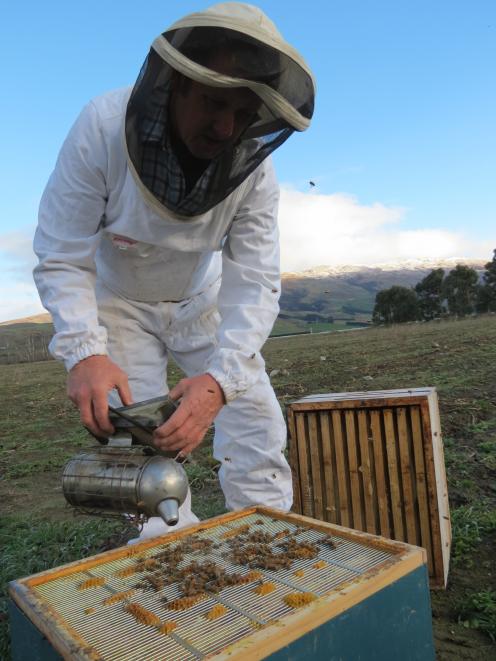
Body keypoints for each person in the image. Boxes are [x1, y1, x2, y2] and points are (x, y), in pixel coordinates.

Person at [33, 2, 315, 538]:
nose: (225, 126)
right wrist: (85, 352)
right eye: (212, 102)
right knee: (143, 453)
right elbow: (61, 254)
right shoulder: (102, 128)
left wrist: (222, 381)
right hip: (117, 305)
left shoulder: (256, 173)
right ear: (177, 85)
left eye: (241, 111)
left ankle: (268, 546)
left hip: (201, 300)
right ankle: (171, 556)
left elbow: (255, 278)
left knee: (256, 424)